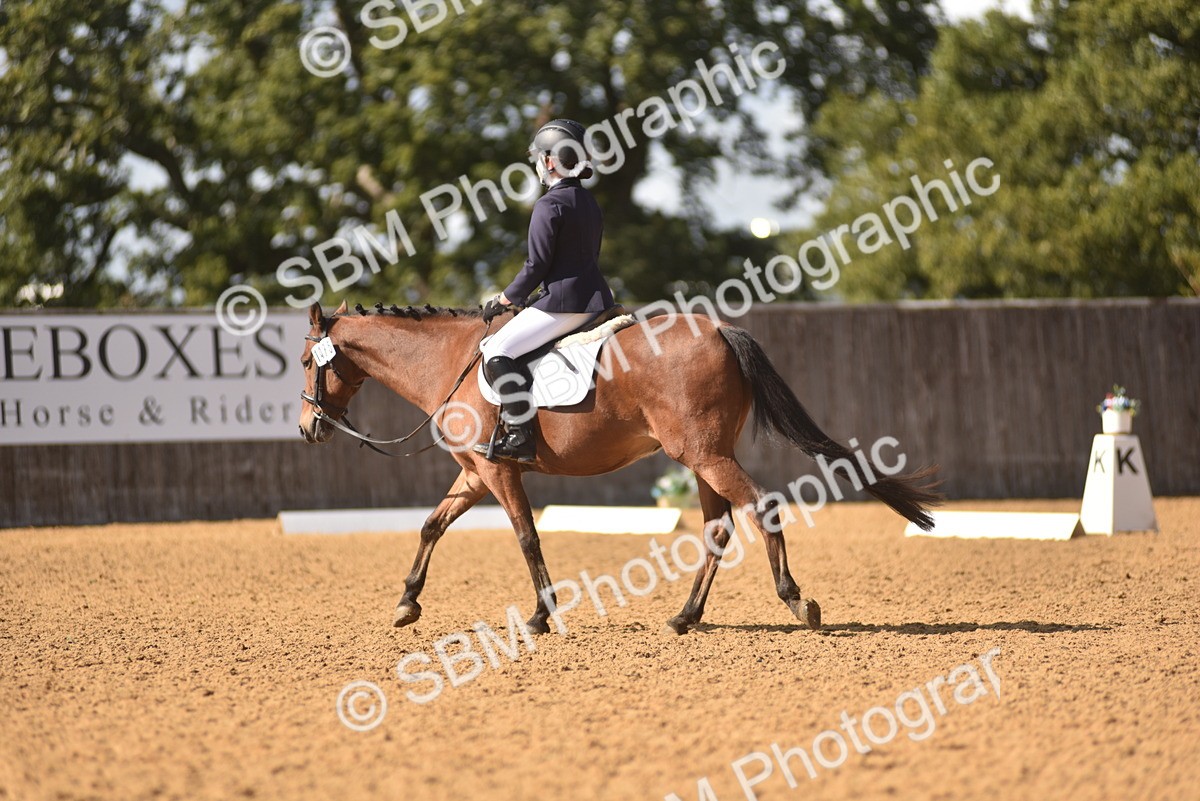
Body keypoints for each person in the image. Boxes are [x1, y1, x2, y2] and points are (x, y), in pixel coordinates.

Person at [474, 119, 615, 463]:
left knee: (496, 350)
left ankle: (520, 436)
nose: (538, 163)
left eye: (539, 157)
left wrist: (505, 299)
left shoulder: (549, 205)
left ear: (550, 161)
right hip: (597, 298)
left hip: (565, 304)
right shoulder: (589, 201)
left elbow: (536, 265)